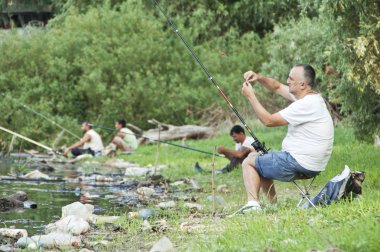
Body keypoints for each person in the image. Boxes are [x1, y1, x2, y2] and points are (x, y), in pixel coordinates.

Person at [235, 64, 334, 214]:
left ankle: (253, 205)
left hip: (299, 163)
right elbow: (276, 87)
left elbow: (268, 121)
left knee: (249, 161)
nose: (287, 81)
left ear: (302, 84)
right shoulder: (311, 97)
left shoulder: (306, 104)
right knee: (262, 158)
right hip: (312, 163)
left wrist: (251, 96)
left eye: (291, 78)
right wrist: (259, 77)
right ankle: (272, 206)